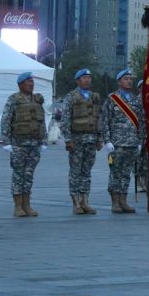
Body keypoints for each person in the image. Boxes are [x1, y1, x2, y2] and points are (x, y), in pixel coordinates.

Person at [1, 72, 47, 217]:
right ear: (20, 84)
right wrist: (6, 142)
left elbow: (42, 122)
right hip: (18, 144)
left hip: (34, 145)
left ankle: (27, 205)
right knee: (18, 175)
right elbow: (6, 120)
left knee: (28, 175)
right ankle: (18, 206)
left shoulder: (38, 100)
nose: (31, 84)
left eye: (32, 82)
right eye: (28, 82)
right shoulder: (14, 99)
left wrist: (44, 140)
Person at [99, 69, 145, 213]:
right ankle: (115, 202)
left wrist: (140, 141)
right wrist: (107, 140)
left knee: (126, 173)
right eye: (126, 78)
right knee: (115, 174)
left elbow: (141, 121)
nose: (129, 81)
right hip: (117, 143)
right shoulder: (112, 99)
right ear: (119, 81)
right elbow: (105, 120)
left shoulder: (136, 100)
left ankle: (124, 200)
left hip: (132, 142)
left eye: (131, 79)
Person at [59, 68, 102, 214]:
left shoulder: (94, 97)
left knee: (87, 172)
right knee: (75, 172)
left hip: (91, 139)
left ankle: (85, 201)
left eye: (89, 78)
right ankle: (76, 203)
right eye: (84, 78)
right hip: (76, 140)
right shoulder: (71, 97)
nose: (87, 80)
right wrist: (68, 140)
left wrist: (99, 138)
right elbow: (65, 119)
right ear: (78, 80)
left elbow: (98, 118)